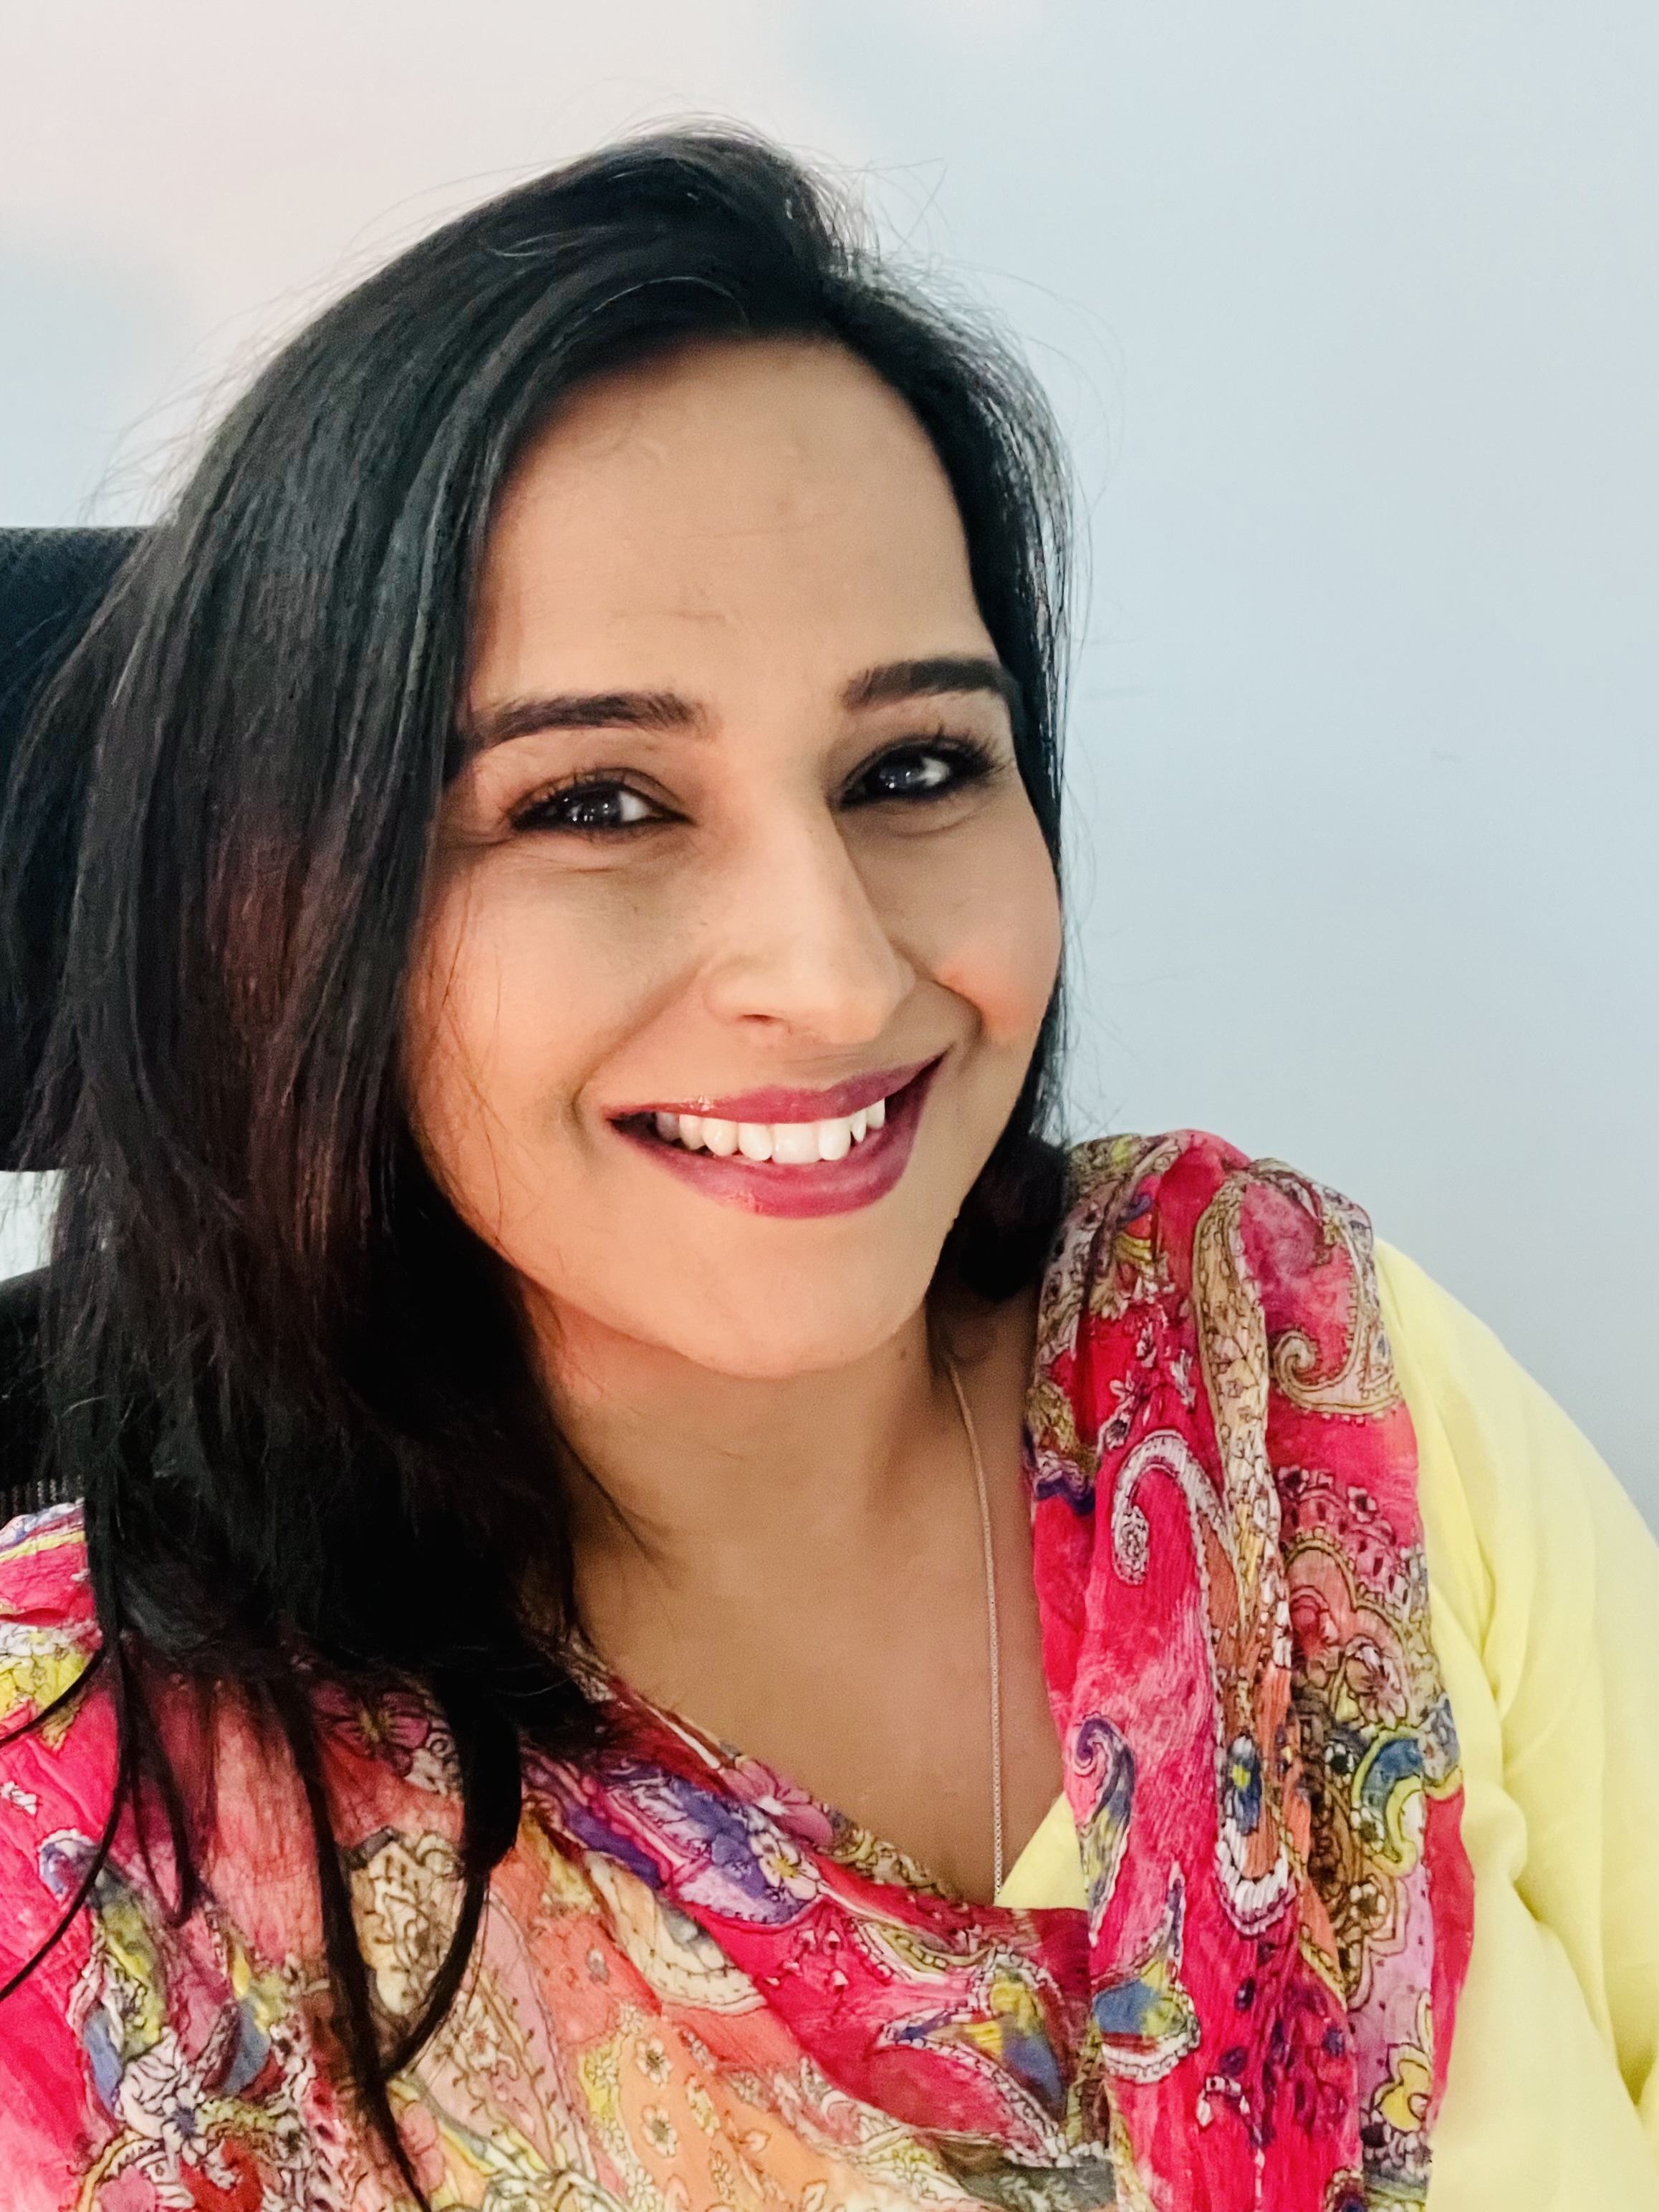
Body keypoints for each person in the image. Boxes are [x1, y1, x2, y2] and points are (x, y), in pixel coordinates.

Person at [0, 130, 1653, 2212]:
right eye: (597, 802)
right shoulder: (82, 1865)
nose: (840, 970)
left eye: (912, 767)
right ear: (274, 912)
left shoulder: (1292, 1374)